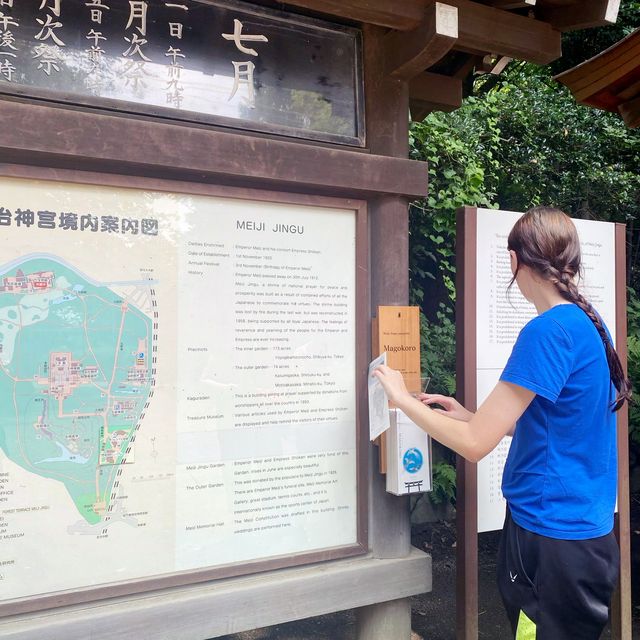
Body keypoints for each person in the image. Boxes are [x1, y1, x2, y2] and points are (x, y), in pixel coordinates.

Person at [374, 207, 631, 640]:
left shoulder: (548, 330)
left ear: (514, 261)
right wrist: (470, 415)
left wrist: (400, 399)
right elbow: (556, 424)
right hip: (581, 533)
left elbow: (474, 445)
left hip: (549, 538)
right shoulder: (589, 322)